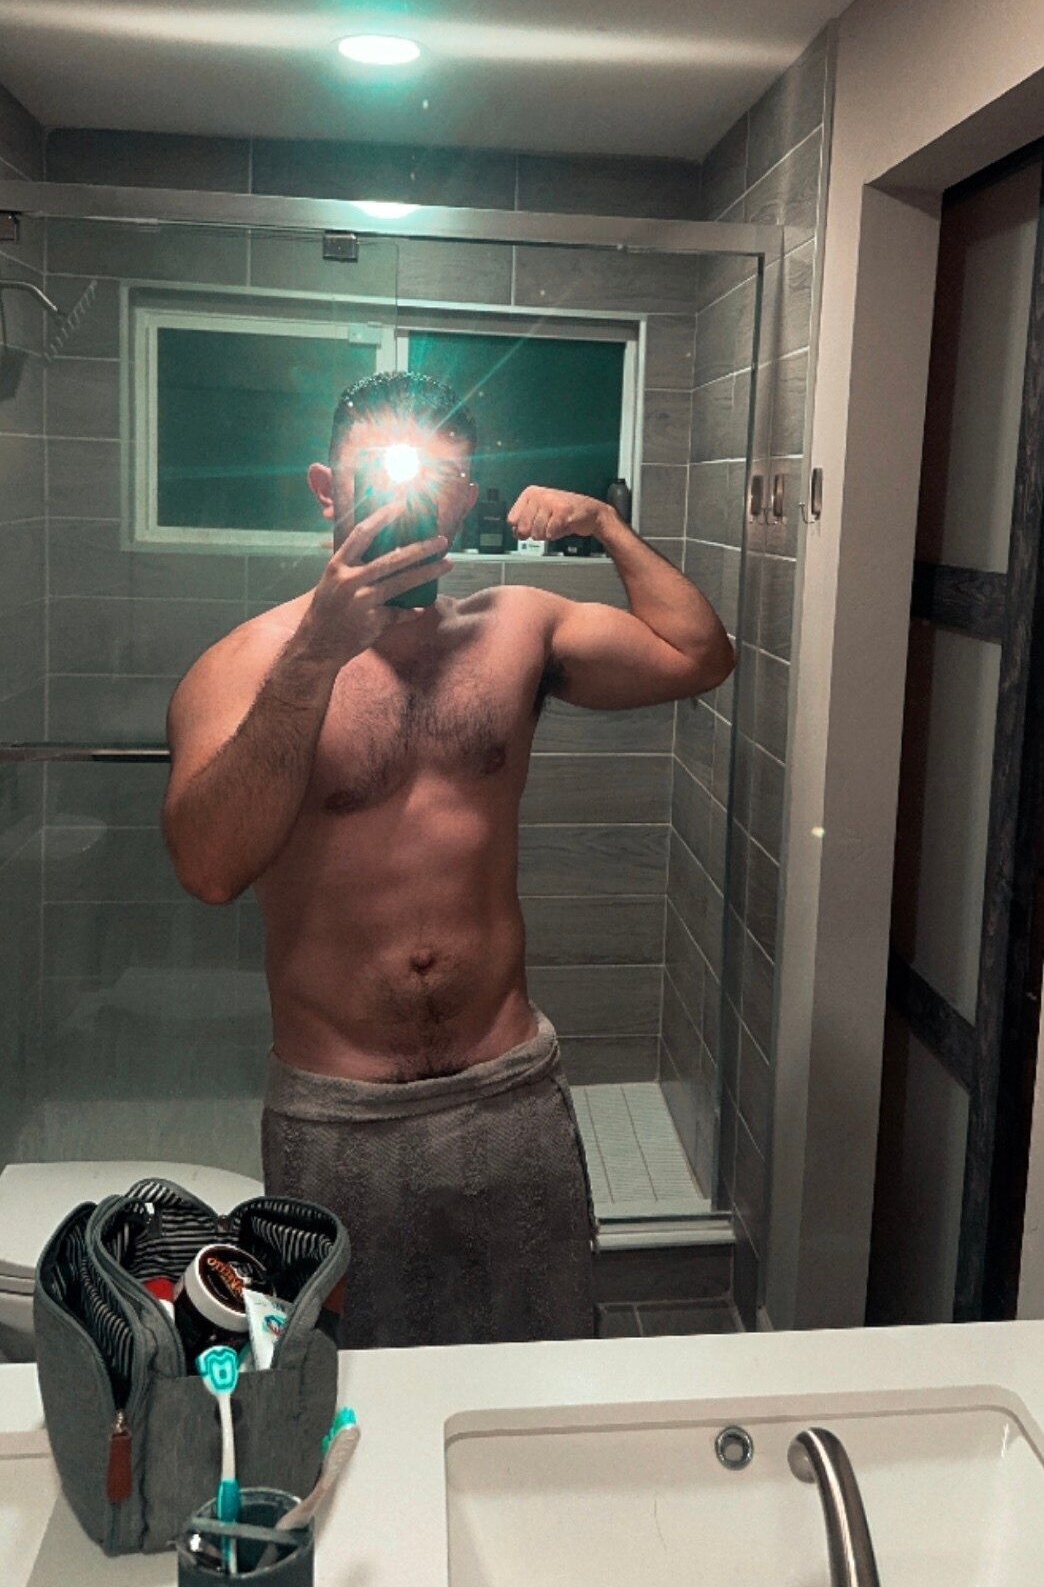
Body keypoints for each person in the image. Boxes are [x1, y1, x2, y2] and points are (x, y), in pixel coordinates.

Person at [162, 371, 735, 1349]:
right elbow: (208, 867)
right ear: (326, 489)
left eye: (435, 478)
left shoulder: (518, 627)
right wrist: (316, 653)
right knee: (346, 1387)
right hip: (335, 1112)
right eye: (379, 474)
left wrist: (605, 524)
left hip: (508, 1092)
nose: (405, 499)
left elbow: (699, 654)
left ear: (465, 498)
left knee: (544, 1364)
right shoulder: (246, 663)